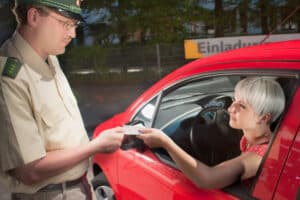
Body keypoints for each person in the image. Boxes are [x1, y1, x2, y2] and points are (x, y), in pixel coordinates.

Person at [0, 0, 124, 199]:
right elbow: (29, 170)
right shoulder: (8, 76)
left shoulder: (49, 56)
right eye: (65, 23)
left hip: (80, 188)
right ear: (33, 17)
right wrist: (97, 145)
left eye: (74, 25)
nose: (72, 34)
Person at [137, 77, 285, 189]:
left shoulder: (258, 155)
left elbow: (207, 179)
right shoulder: (255, 138)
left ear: (263, 117)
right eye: (234, 100)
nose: (230, 108)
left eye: (241, 106)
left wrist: (165, 142)